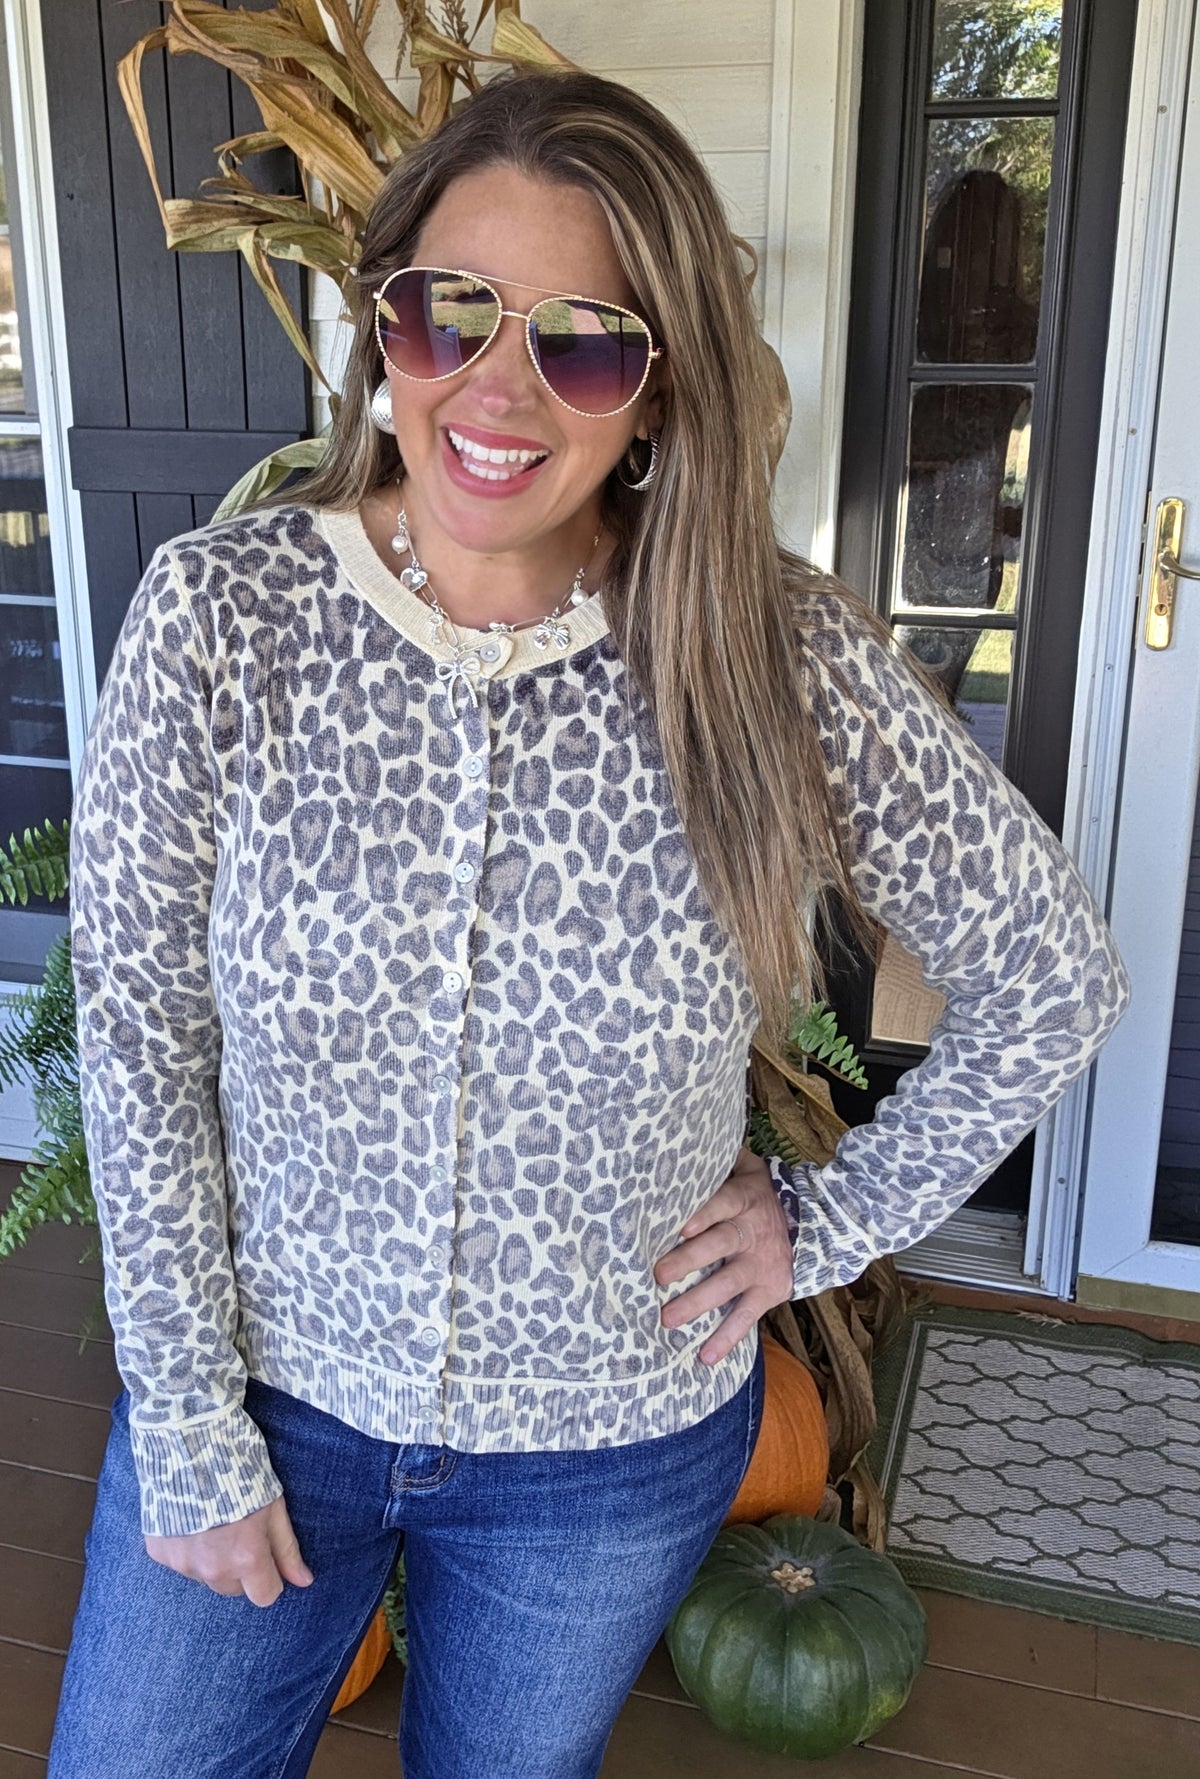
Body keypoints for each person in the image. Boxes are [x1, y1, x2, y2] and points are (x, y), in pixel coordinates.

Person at [48, 68, 1130, 1779]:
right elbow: (141, 1029)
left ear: (663, 380)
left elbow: (1051, 976)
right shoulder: (224, 617)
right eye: (449, 312)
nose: (499, 387)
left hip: (607, 1452)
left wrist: (829, 1222)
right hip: (267, 1392)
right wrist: (186, 1417)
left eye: (586, 341)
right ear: (381, 322)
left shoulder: (768, 652)